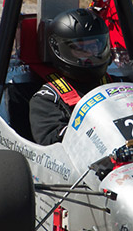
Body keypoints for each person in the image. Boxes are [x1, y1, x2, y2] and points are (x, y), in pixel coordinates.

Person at [29, 8, 112, 145]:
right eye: (81, 49)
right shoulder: (47, 98)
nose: (90, 55)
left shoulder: (117, 83)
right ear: (59, 50)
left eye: (94, 47)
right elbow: (49, 142)